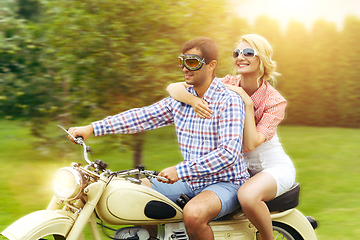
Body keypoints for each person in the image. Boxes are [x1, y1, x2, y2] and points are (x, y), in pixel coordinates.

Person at [67, 37, 249, 240]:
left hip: (226, 182)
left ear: (211, 65)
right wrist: (92, 128)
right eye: (182, 62)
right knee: (134, 197)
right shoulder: (181, 101)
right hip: (190, 181)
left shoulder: (228, 100)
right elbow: (141, 117)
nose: (184, 69)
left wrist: (180, 170)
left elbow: (228, 153)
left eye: (191, 62)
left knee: (194, 214)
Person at [166, 34, 296, 240]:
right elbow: (173, 88)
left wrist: (247, 102)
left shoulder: (274, 101)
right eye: (237, 53)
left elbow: (251, 144)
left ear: (261, 57)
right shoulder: (228, 82)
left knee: (247, 195)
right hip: (240, 171)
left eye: (248, 52)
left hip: (272, 168)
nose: (240, 57)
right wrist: (193, 101)